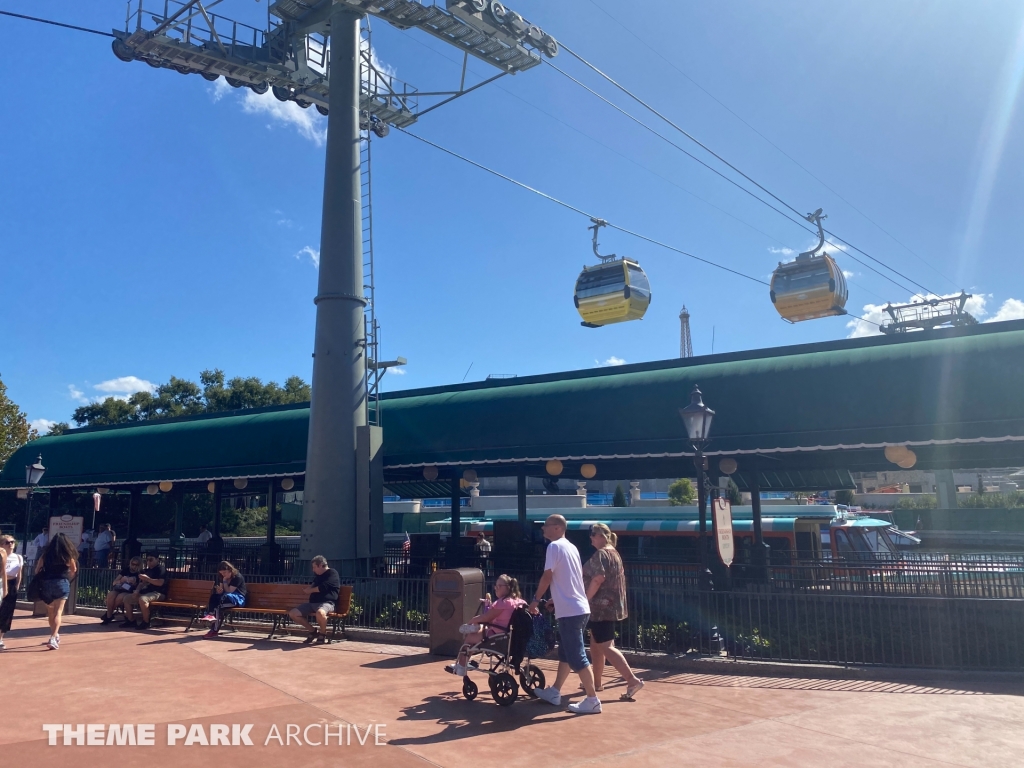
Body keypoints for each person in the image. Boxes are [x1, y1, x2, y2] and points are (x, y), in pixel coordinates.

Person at [529, 514, 602, 714]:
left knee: (577, 656)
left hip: (570, 611)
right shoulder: (572, 548)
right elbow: (571, 578)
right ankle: (555, 692)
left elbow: (547, 576)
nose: (543, 529)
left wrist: (536, 600)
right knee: (566, 653)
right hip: (577, 608)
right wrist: (556, 600)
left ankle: (592, 699)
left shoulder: (554, 547)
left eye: (546, 526)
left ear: (558, 528)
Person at [583, 523, 643, 699]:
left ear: (602, 535)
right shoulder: (614, 553)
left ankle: (632, 680)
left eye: (593, 534)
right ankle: (597, 682)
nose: (591, 538)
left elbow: (598, 578)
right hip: (611, 606)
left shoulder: (602, 554)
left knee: (606, 645)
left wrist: (585, 598)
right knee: (596, 642)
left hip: (601, 607)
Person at [449, 574, 526, 675]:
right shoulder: (520, 602)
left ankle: (461, 667)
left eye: (499, 586)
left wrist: (472, 620)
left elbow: (486, 618)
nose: (496, 588)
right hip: (512, 637)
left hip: (498, 636)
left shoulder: (503, 603)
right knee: (479, 630)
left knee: (469, 638)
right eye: (496, 586)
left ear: (508, 587)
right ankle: (465, 661)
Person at [34, 532, 79, 650]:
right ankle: (53, 637)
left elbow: (37, 570)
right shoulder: (68, 555)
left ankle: (54, 633)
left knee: (51, 611)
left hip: (47, 583)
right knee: (58, 612)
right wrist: (67, 578)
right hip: (61, 582)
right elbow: (73, 570)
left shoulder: (45, 555)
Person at [288, 555, 340, 645]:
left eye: (314, 567)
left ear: (320, 565)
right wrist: (307, 589)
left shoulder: (332, 573)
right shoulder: (318, 576)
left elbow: (323, 587)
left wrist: (310, 591)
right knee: (293, 613)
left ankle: (323, 633)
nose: (313, 570)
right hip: (313, 603)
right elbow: (313, 584)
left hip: (327, 603)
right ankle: (312, 631)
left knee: (320, 613)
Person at [200, 561, 247, 639]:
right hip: (225, 598)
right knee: (214, 596)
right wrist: (220, 590)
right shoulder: (222, 577)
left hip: (237, 599)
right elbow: (222, 591)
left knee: (218, 606)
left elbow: (229, 591)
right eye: (222, 573)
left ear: (230, 570)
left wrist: (225, 581)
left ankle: (214, 630)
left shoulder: (237, 577)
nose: (223, 575)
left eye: (224, 572)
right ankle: (211, 614)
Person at [122, 554, 166, 630]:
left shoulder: (161, 569)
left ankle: (146, 622)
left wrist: (148, 579)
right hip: (146, 592)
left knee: (143, 599)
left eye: (151, 560)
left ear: (157, 559)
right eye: (147, 560)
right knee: (127, 598)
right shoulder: (147, 570)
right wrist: (137, 591)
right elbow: (142, 583)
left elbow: (160, 583)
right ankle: (131, 620)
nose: (148, 562)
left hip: (158, 593)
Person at [99, 557, 143, 625]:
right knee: (111, 595)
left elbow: (141, 584)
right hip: (120, 588)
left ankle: (108, 614)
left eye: (136, 565)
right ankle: (109, 615)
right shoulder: (126, 570)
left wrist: (134, 583)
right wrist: (121, 580)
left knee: (120, 597)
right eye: (133, 564)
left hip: (131, 591)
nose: (134, 566)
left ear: (139, 565)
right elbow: (114, 582)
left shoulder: (140, 573)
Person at [0, 536, 24, 649]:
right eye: (7, 542)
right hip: (1, 583)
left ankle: (0, 638)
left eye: (12, 542)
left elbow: (19, 574)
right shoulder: (1, 556)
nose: (10, 544)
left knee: (7, 613)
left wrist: (17, 586)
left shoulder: (18, 557)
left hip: (12, 585)